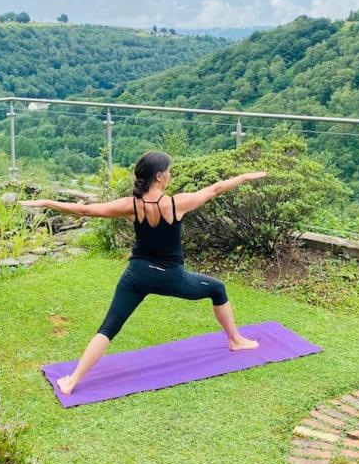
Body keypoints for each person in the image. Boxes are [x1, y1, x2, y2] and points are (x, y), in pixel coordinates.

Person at [20, 151, 267, 396]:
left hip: (136, 276)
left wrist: (46, 203)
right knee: (217, 288)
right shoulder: (175, 203)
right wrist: (244, 177)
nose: (170, 175)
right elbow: (216, 189)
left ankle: (72, 381)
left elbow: (84, 211)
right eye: (168, 172)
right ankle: (235, 340)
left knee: (109, 327)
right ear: (159, 177)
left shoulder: (131, 205)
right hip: (171, 277)